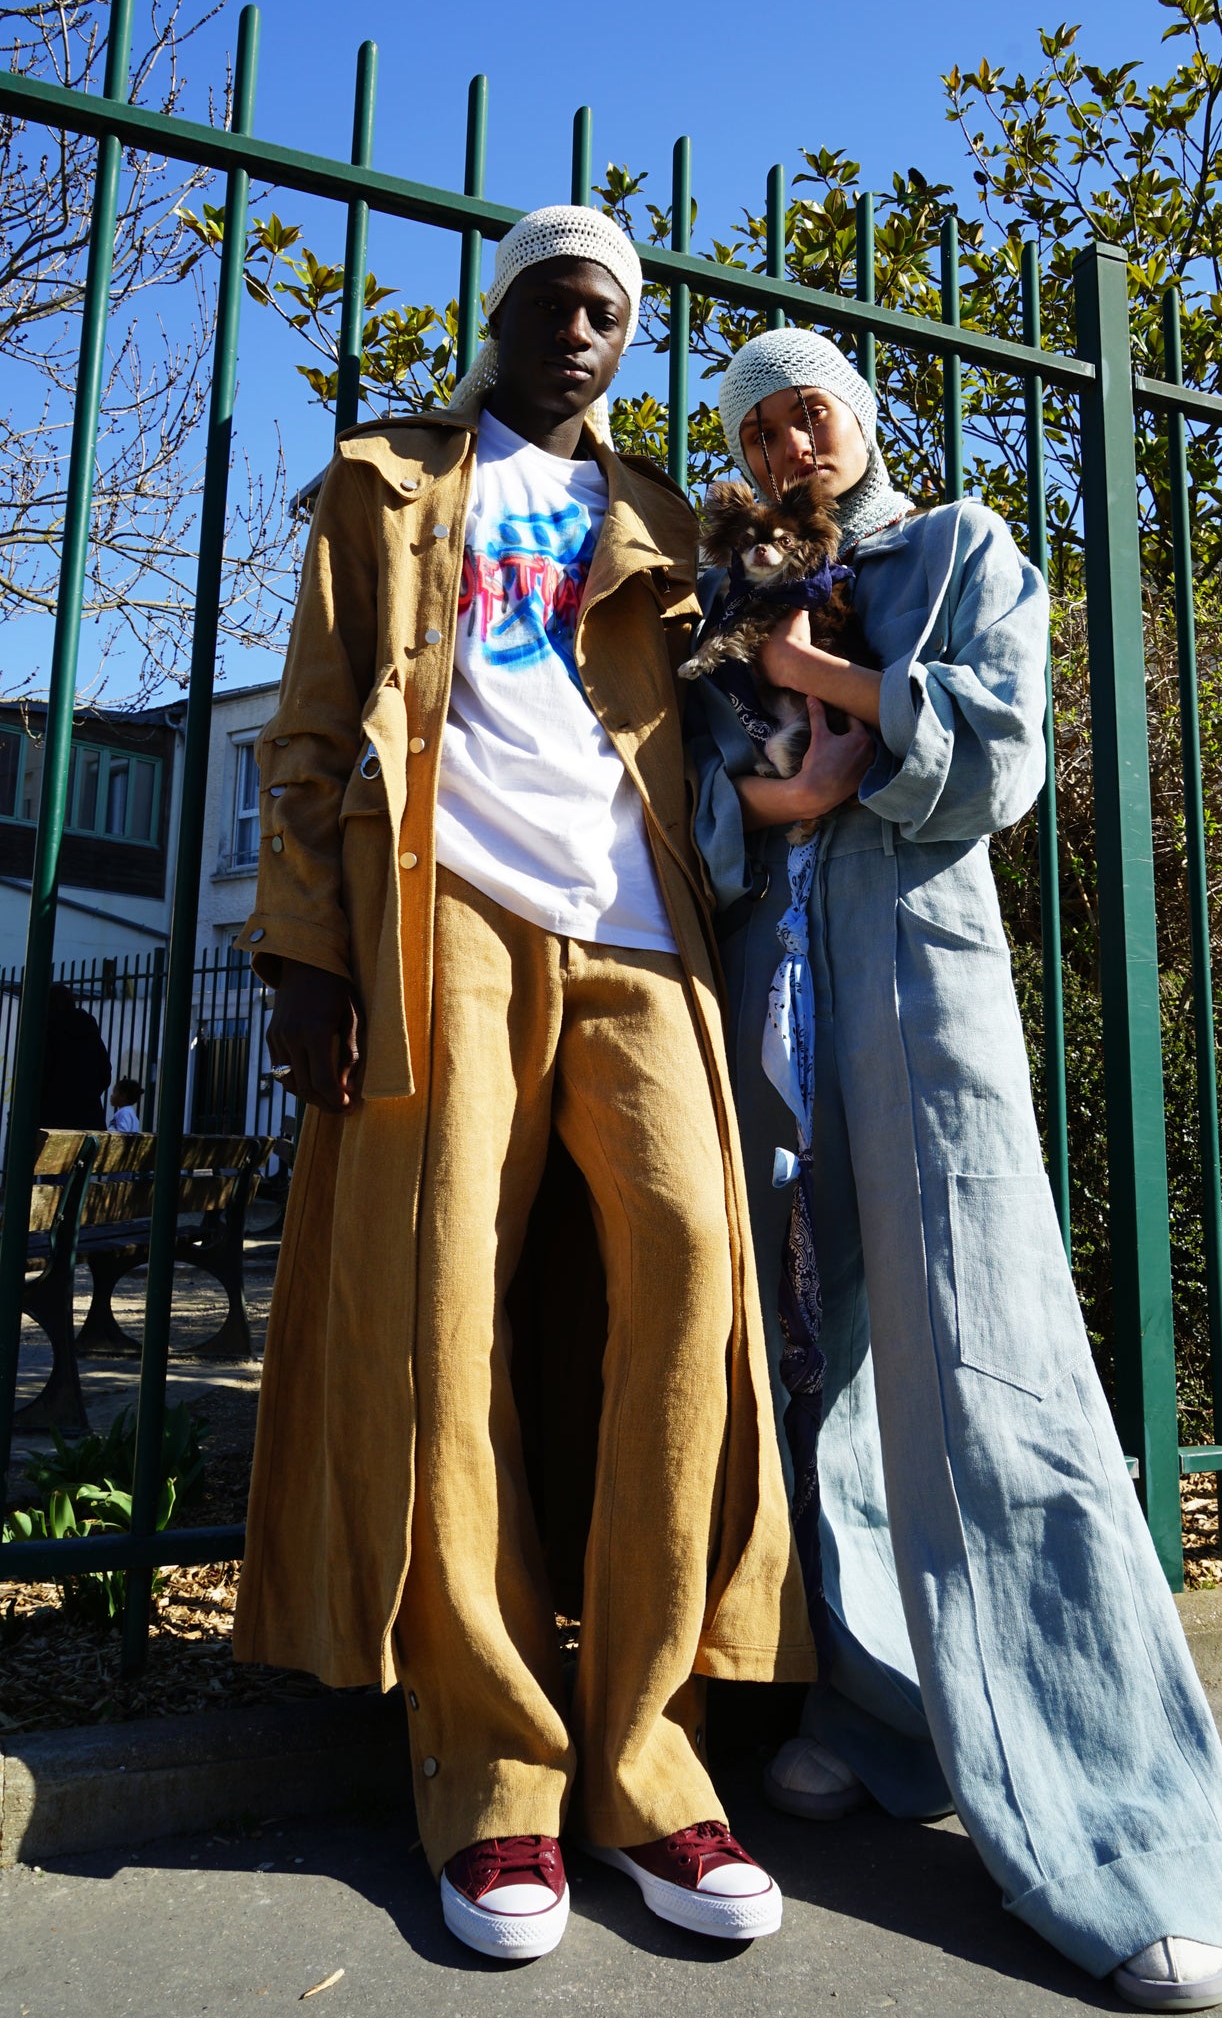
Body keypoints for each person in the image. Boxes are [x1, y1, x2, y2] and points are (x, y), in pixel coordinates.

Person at [231, 209, 811, 1964]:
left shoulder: (665, 519)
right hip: (446, 909)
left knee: (694, 1272)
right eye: (554, 304)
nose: (579, 333)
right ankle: (490, 1768)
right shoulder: (389, 482)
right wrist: (304, 952)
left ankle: (646, 1756)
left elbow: (752, 692)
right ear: (498, 316)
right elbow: (315, 719)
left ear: (627, 343)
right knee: (438, 1302)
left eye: (608, 313)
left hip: (641, 924)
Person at [686, 326, 1222, 2013]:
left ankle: (1123, 1822)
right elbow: (705, 807)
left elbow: (1000, 758)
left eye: (812, 410)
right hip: (768, 1004)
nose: (791, 442)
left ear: (859, 417)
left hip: (919, 993)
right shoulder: (725, 600)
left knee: (987, 1362)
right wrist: (781, 796)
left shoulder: (958, 547)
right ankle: (886, 1707)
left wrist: (835, 682)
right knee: (820, 1364)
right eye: (759, 427)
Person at [37, 979, 111, 1131]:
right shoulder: (89, 1031)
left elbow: (38, 1075)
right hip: (90, 1120)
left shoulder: (48, 1030)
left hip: (52, 1120)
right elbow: (105, 1073)